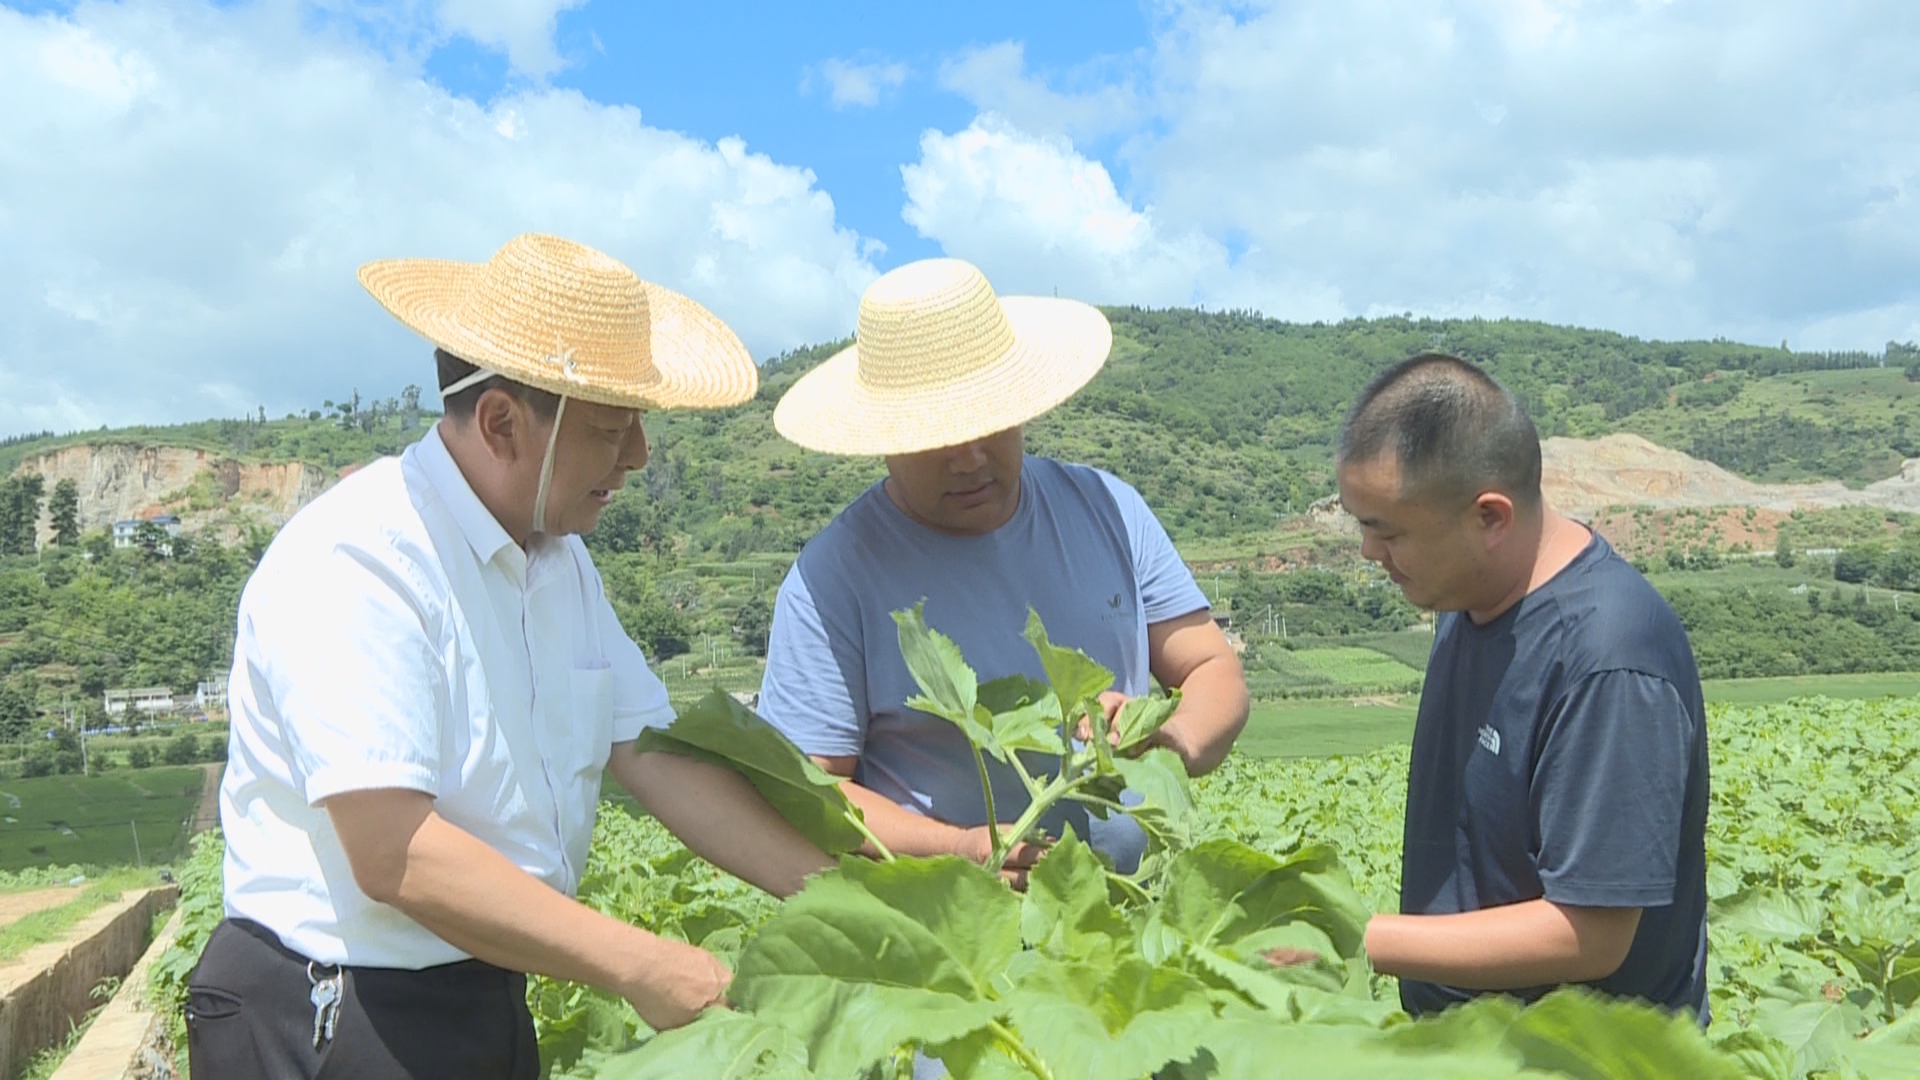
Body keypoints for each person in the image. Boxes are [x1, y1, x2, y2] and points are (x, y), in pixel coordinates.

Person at [189, 233, 832, 1078]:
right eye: (610, 428)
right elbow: (396, 851)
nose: (637, 457)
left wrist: (841, 896)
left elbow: (656, 756)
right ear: (499, 422)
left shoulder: (561, 567)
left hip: (481, 990)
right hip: (333, 1011)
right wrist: (643, 963)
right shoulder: (362, 557)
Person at [757, 257, 1248, 880]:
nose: (966, 458)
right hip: (959, 935)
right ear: (881, 434)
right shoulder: (831, 577)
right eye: (933, 433)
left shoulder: (1108, 508)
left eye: (986, 420)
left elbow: (1212, 667)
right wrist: (963, 850)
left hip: (1134, 918)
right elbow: (814, 791)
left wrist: (1169, 740)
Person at [1334, 353, 1709, 1018]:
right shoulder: (1469, 598)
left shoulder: (1608, 659)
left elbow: (1590, 933)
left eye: (1387, 531)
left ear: (1490, 518)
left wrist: (1354, 938)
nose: (1369, 553)